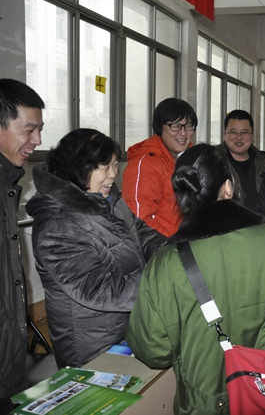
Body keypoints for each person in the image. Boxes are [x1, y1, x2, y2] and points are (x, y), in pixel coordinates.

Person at [126, 144, 265, 415]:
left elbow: (153, 350)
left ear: (183, 194)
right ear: (228, 187)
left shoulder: (166, 263)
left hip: (204, 403)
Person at [26, 128, 166, 369]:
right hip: (92, 345)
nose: (113, 174)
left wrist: (173, 252)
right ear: (78, 168)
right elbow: (97, 289)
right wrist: (164, 279)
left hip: (129, 326)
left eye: (115, 165)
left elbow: (141, 233)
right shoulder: (58, 224)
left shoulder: (108, 199)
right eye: (104, 167)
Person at [0, 79, 44, 415]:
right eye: (29, 130)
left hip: (9, 363)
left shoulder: (8, 185)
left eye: (39, 130)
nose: (37, 140)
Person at [122, 98, 196, 237]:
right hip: (164, 246)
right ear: (160, 127)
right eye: (175, 126)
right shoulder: (146, 165)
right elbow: (138, 221)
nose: (183, 133)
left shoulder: (192, 159)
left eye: (188, 126)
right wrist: (175, 243)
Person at [216, 110, 265, 211]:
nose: (239, 137)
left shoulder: (261, 161)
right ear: (225, 134)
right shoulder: (213, 160)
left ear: (252, 135)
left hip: (259, 220)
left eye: (244, 132)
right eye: (233, 132)